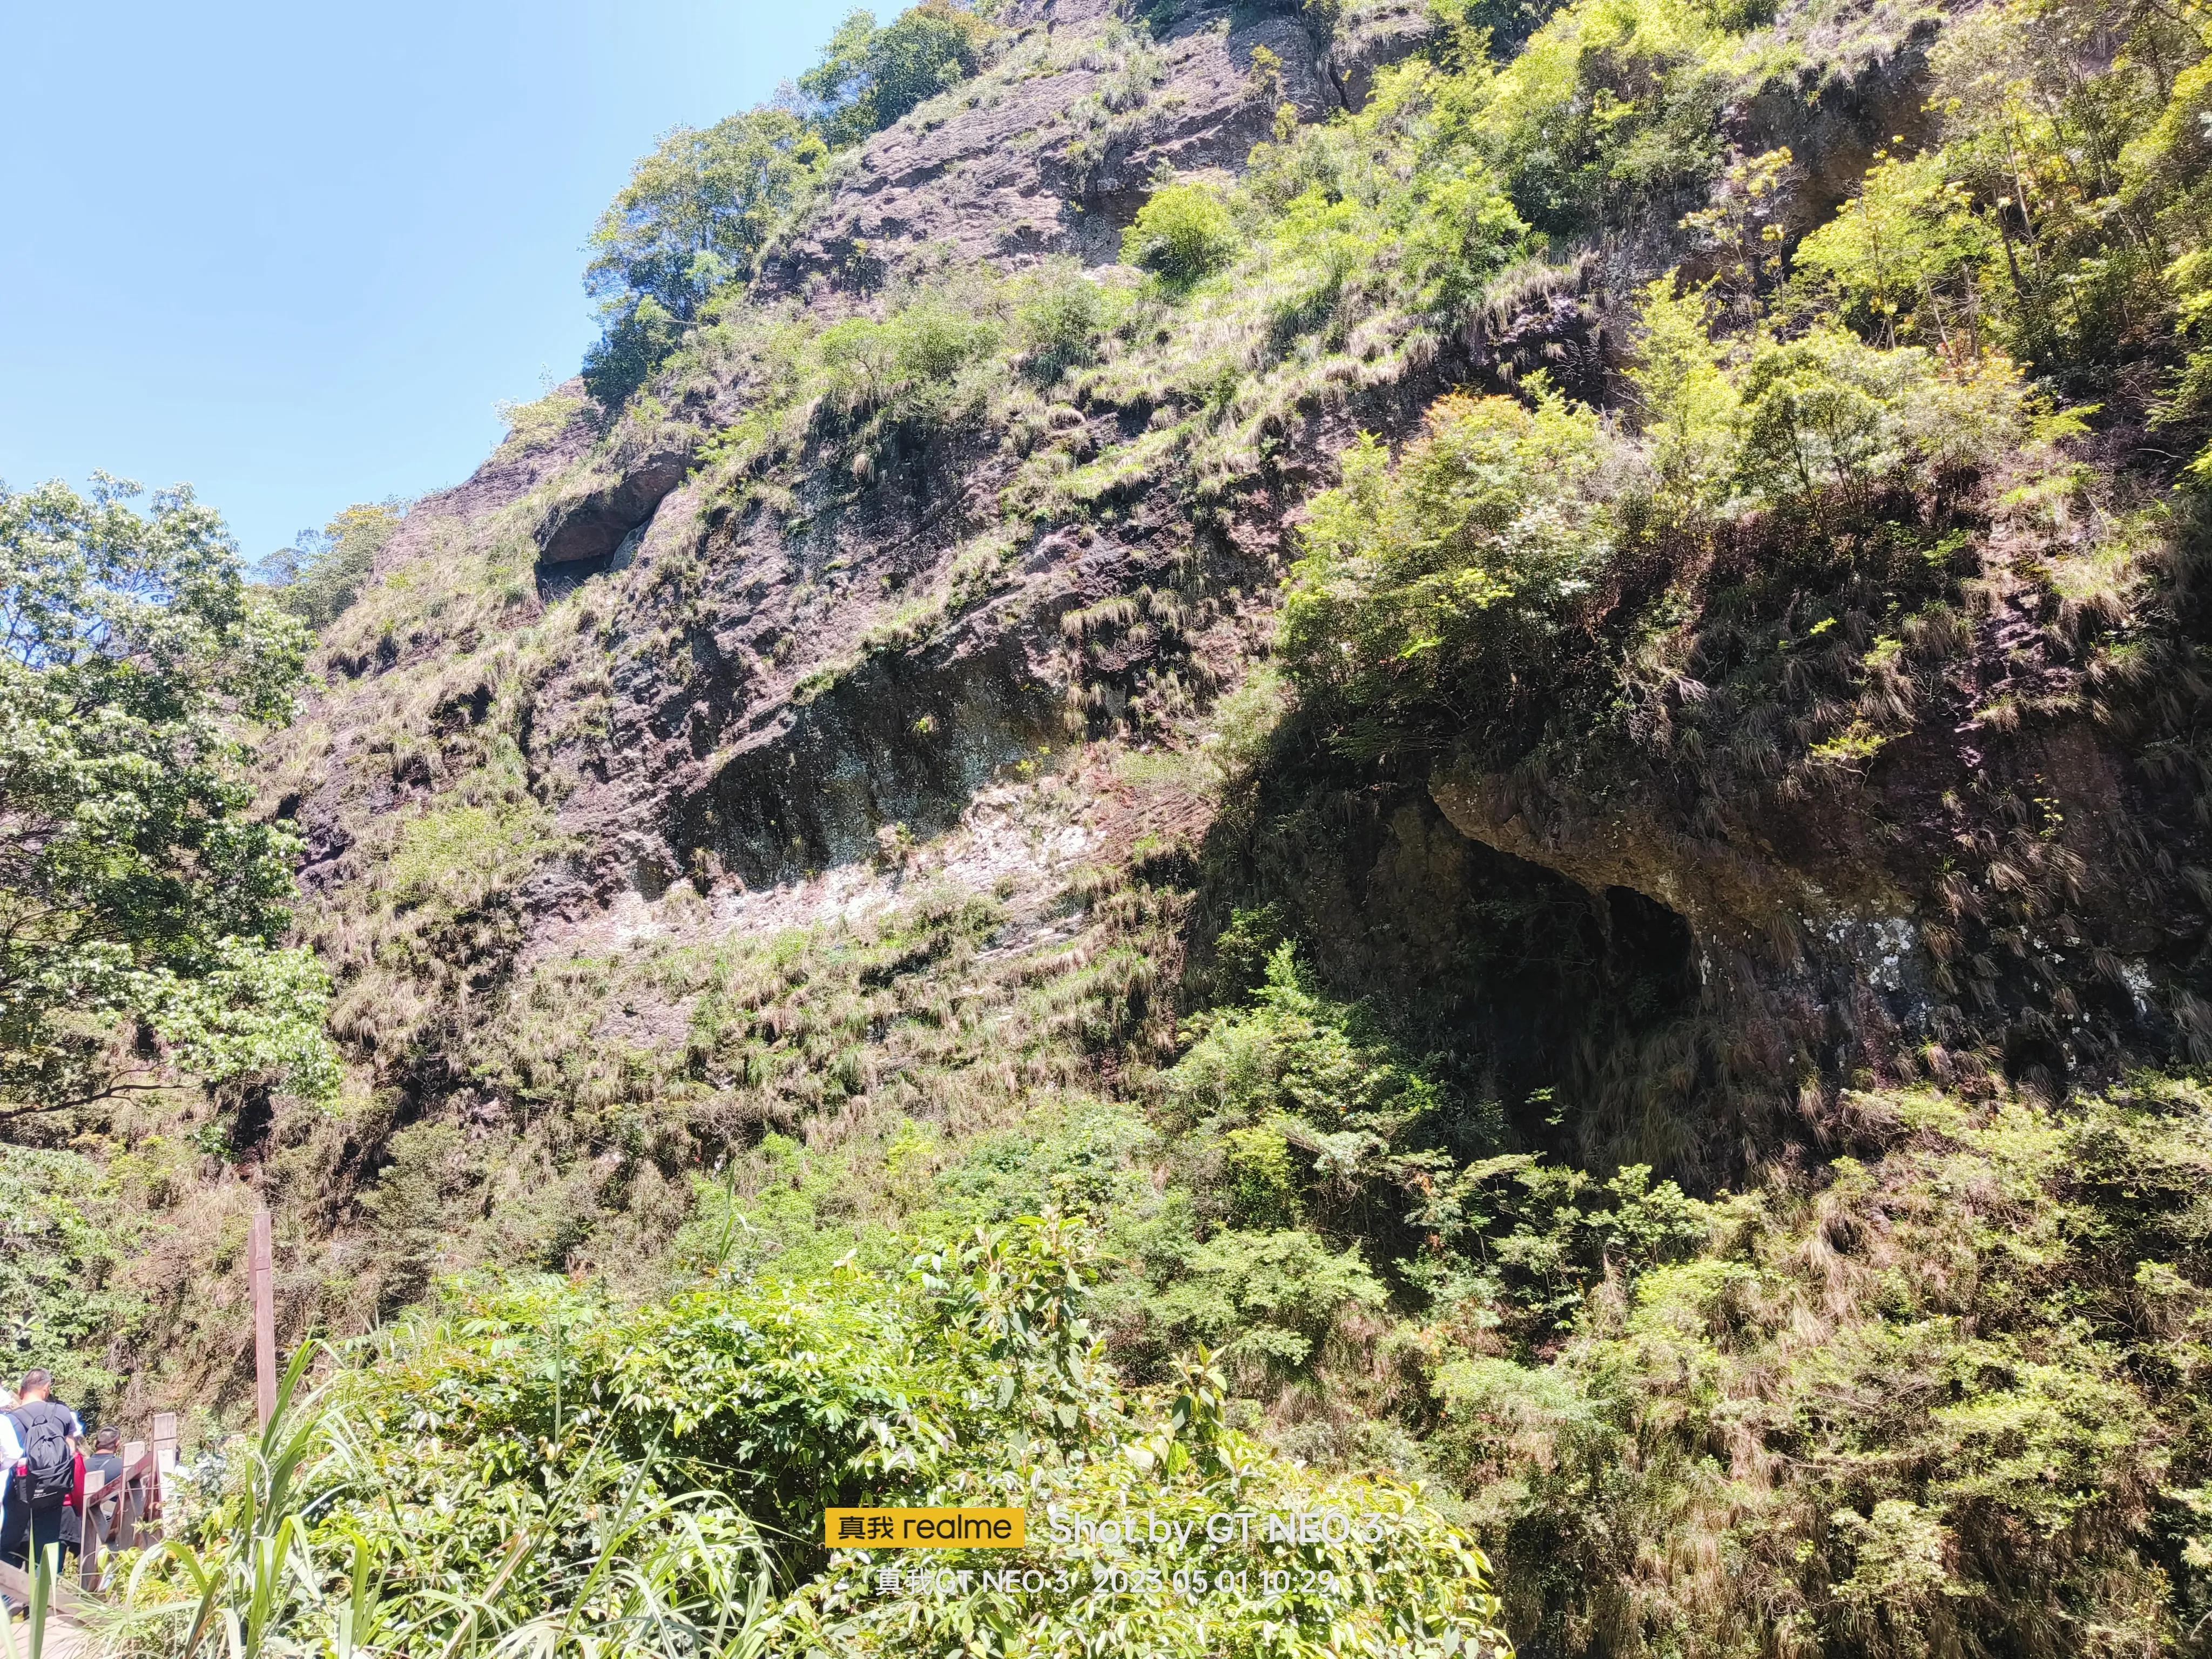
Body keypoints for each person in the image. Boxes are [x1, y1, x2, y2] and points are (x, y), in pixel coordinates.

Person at [1, 1370, 84, 1572]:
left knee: (8, 1552)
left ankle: (9, 1599)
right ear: (47, 1389)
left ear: (22, 1390)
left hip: (19, 1494)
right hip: (54, 1494)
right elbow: (71, 1452)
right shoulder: (63, 1414)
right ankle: (42, 1601)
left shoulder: (9, 1420)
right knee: (45, 1558)